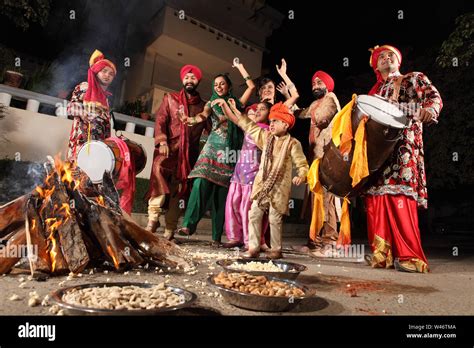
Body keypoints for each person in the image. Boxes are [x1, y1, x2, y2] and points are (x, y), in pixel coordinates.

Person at [364, 45, 443, 273]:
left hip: (403, 147)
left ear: (398, 62)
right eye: (381, 57)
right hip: (378, 152)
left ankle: (409, 256)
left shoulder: (413, 78)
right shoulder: (374, 94)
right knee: (377, 197)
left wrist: (429, 110)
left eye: (391, 55)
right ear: (376, 66)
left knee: (399, 195)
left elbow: (433, 97)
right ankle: (382, 254)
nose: (385, 58)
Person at [222, 59, 300, 250]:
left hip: (265, 164)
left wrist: (283, 74)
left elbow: (295, 95)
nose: (267, 90)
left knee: (258, 205)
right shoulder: (253, 111)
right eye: (263, 88)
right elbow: (238, 120)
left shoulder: (278, 110)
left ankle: (258, 243)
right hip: (243, 163)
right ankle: (236, 237)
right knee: (236, 201)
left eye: (270, 87)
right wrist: (227, 106)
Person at [176, 61, 255, 247]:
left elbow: (251, 86)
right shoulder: (211, 102)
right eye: (216, 84)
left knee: (222, 194)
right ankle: (188, 225)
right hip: (211, 148)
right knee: (199, 182)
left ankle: (216, 237)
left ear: (228, 86)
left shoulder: (236, 103)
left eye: (222, 83)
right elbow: (202, 116)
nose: (219, 86)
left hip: (230, 152)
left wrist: (241, 67)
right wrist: (188, 120)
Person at [218, 100, 309, 259]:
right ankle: (253, 248)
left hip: (279, 188)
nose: (271, 124)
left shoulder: (293, 143)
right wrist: (233, 108)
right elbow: (248, 125)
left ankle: (276, 249)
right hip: (262, 185)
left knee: (275, 218)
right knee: (254, 214)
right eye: (271, 120)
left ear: (286, 125)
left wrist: (301, 175)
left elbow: (301, 163)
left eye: (275, 121)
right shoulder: (266, 137)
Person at [145, 65, 208, 240]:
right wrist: (162, 141)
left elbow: (212, 129)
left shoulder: (204, 107)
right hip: (167, 150)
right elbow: (161, 120)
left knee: (179, 190)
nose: (189, 80)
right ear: (182, 80)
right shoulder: (170, 98)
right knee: (158, 177)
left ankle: (170, 229)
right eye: (187, 77)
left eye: (193, 78)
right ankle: (152, 220)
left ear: (198, 81)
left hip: (189, 156)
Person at [291, 71, 343, 257]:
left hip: (328, 156)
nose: (315, 86)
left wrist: (310, 114)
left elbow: (323, 118)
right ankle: (314, 242)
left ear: (328, 85)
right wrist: (289, 89)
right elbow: (299, 113)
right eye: (313, 83)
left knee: (327, 198)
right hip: (315, 157)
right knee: (314, 199)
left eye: (320, 82)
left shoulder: (331, 98)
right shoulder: (315, 103)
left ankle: (330, 243)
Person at [67, 49, 116, 160]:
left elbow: (106, 125)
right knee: (77, 174)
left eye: (111, 74)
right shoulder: (85, 86)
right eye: (104, 71)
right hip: (82, 141)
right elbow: (71, 107)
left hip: (99, 145)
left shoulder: (106, 99)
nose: (107, 75)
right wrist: (81, 112)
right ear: (96, 71)